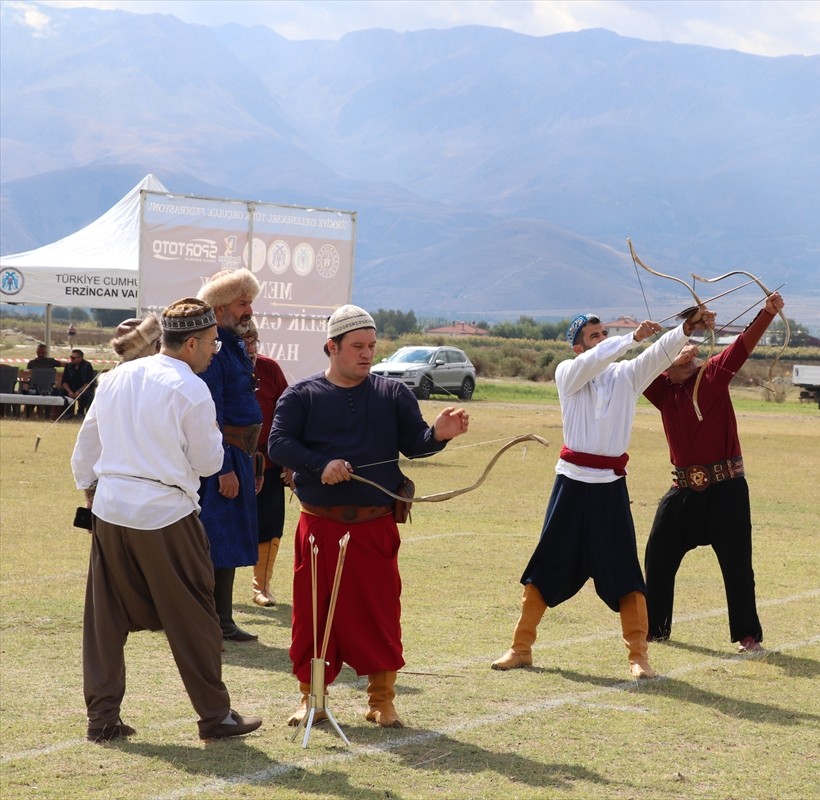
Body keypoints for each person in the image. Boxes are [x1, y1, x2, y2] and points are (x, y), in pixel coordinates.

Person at [268, 304, 469, 728]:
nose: (366, 354)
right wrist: (320, 464)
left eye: (371, 347)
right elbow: (279, 443)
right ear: (331, 346)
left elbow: (415, 443)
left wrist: (438, 434)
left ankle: (382, 699)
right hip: (320, 527)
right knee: (313, 615)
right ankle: (313, 698)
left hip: (374, 526)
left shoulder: (392, 393)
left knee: (380, 613)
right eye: (357, 346)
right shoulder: (301, 394)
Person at [70, 298, 262, 742]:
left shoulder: (115, 377)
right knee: (195, 615)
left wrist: (96, 495)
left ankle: (102, 720)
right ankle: (215, 716)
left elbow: (86, 451)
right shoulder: (191, 388)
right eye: (213, 342)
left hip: (112, 511)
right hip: (165, 513)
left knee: (104, 620)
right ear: (191, 342)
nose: (215, 350)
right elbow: (209, 461)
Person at [491, 308, 713, 680]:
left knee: (625, 570)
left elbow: (657, 355)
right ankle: (520, 647)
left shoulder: (626, 376)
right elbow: (602, 357)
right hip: (571, 486)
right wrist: (629, 338)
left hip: (609, 489)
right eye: (594, 336)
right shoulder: (568, 373)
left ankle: (638, 656)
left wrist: (686, 329)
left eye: (604, 333)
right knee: (546, 565)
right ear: (578, 348)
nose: (602, 340)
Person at [642, 292, 784, 654]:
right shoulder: (661, 390)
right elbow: (637, 369)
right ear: (665, 365)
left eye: (693, 349)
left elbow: (742, 346)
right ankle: (655, 629)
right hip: (683, 492)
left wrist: (766, 313)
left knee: (738, 567)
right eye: (681, 352)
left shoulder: (712, 378)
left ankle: (748, 636)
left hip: (726, 491)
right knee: (658, 554)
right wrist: (676, 333)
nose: (691, 354)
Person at [196, 268, 263, 643]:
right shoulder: (214, 349)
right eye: (242, 302)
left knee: (230, 538)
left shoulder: (231, 343)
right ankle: (213, 620)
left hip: (240, 454)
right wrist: (222, 466)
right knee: (215, 540)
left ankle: (222, 618)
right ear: (220, 309)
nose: (248, 309)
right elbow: (212, 410)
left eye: (249, 301)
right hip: (222, 455)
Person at [241, 320, 291, 608]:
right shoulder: (217, 368)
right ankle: (212, 589)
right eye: (244, 343)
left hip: (269, 462)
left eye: (254, 342)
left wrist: (288, 460)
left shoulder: (270, 369)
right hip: (228, 462)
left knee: (270, 524)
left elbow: (287, 414)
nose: (250, 349)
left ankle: (262, 587)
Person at [23, 343, 63, 418]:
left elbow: (64, 365)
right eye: (39, 352)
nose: (40, 354)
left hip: (47, 387)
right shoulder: (32, 363)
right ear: (36, 352)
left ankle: (45, 416)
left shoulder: (51, 361)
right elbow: (27, 374)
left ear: (46, 353)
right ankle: (27, 416)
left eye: (42, 353)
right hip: (34, 387)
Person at [61, 348, 97, 418]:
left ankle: (80, 413)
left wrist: (79, 391)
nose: (71, 359)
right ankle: (68, 413)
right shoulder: (68, 366)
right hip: (71, 388)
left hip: (83, 388)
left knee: (86, 395)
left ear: (80, 358)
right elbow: (64, 381)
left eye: (73, 358)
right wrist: (69, 391)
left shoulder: (87, 366)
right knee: (61, 392)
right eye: (71, 357)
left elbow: (88, 383)